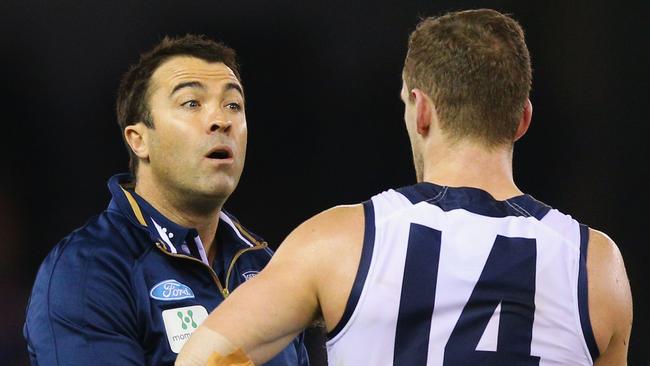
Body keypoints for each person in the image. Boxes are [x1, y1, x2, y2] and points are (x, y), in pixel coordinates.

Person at [175, 9, 633, 366]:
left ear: (421, 110)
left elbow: (201, 357)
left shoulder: (340, 241)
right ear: (522, 119)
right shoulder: (597, 265)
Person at [23, 35, 309, 366]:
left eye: (234, 105)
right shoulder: (89, 271)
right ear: (139, 140)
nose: (222, 120)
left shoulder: (266, 268)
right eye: (192, 103)